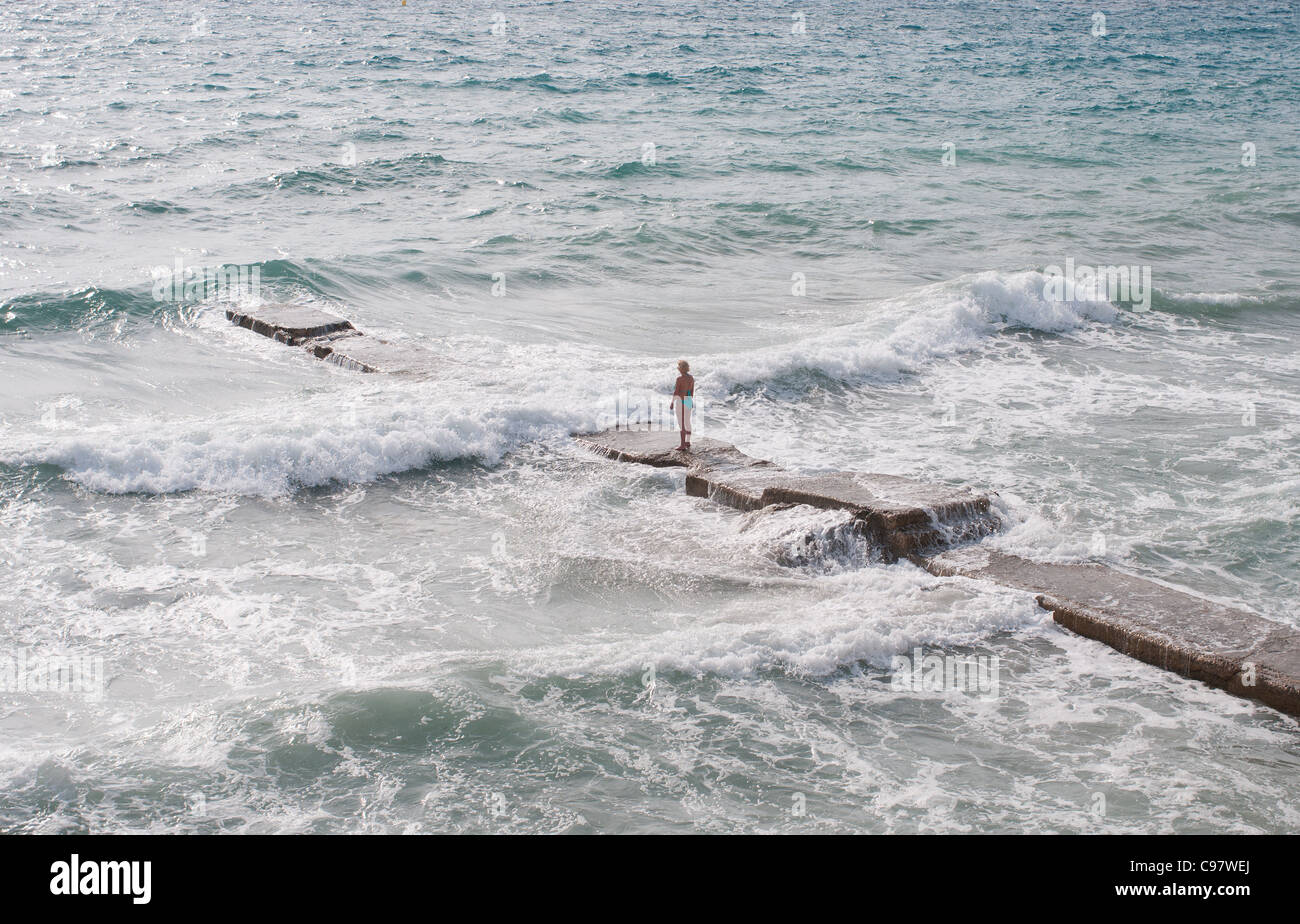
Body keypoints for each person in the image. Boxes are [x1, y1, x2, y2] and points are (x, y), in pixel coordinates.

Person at [671, 360, 694, 451]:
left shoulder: (679, 379)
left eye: (679, 366)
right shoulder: (691, 378)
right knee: (687, 421)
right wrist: (690, 401)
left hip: (681, 400)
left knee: (681, 423)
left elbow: (676, 392)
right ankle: (687, 441)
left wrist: (672, 402)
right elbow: (691, 391)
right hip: (688, 399)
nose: (678, 368)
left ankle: (682, 445)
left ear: (681, 368)